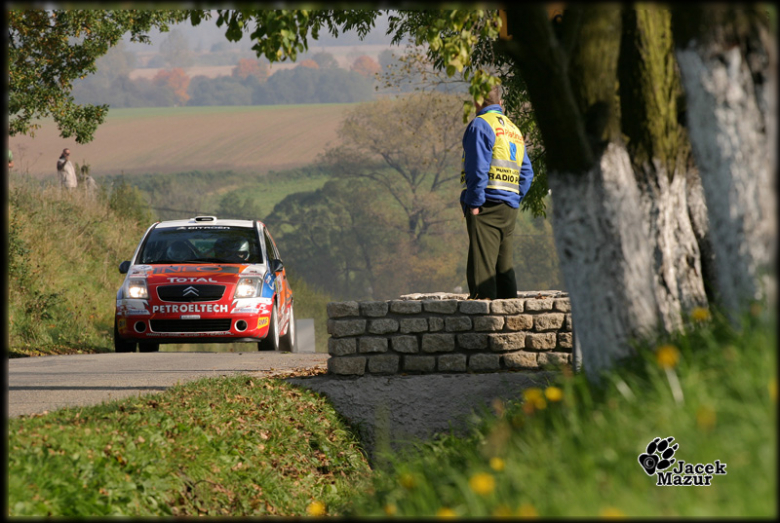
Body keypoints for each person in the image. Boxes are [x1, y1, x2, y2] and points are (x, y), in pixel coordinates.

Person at [460, 84, 534, 300]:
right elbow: (527, 172)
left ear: (477, 102)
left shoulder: (480, 125)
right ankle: (511, 319)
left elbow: (477, 169)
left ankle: (484, 324)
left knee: (482, 271)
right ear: (500, 103)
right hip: (509, 206)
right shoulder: (514, 129)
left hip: (485, 205)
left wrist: (474, 203)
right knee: (504, 269)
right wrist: (514, 198)